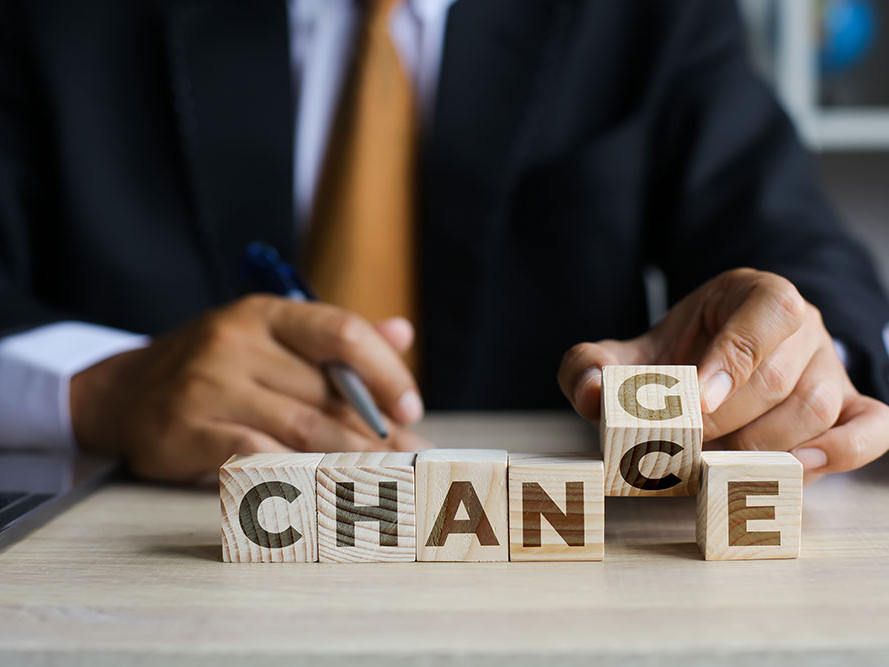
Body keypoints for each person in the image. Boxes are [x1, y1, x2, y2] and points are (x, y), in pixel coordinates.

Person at [1, 0, 888, 483]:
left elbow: (797, 246)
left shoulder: (650, 17)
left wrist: (799, 360)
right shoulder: (55, 21)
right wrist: (99, 388)